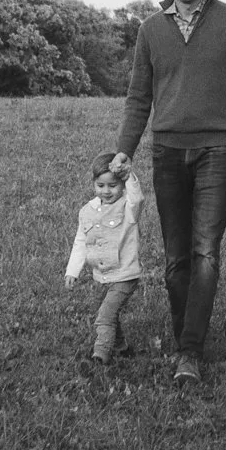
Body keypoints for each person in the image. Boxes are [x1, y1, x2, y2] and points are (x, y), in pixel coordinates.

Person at [115, 0, 226, 389]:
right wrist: (125, 148)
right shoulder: (150, 30)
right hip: (167, 150)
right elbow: (138, 96)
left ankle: (189, 350)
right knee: (176, 256)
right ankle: (187, 335)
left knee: (205, 252)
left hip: (217, 150)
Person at [64, 156, 146, 365]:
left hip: (125, 274)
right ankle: (122, 347)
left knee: (105, 315)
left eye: (113, 185)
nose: (106, 191)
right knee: (110, 313)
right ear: (93, 183)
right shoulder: (87, 211)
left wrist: (129, 177)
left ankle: (100, 355)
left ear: (122, 185)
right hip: (102, 275)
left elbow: (137, 198)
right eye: (100, 185)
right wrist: (72, 270)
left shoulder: (129, 207)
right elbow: (81, 241)